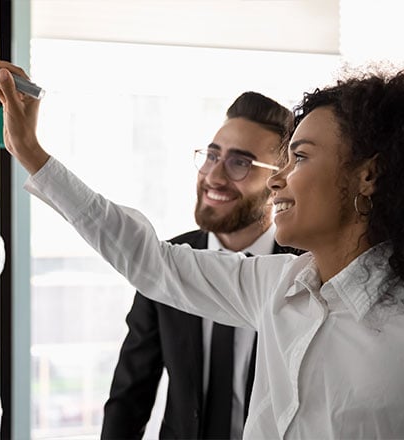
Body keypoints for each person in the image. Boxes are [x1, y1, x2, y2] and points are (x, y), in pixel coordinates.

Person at [0, 62, 404, 439]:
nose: (278, 182)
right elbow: (148, 260)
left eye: (301, 158)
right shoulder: (275, 287)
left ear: (367, 177)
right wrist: (30, 152)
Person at [101, 92, 303, 440]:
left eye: (240, 163)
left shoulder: (304, 270)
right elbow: (130, 394)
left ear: (278, 181)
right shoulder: (166, 260)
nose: (214, 176)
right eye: (212, 155)